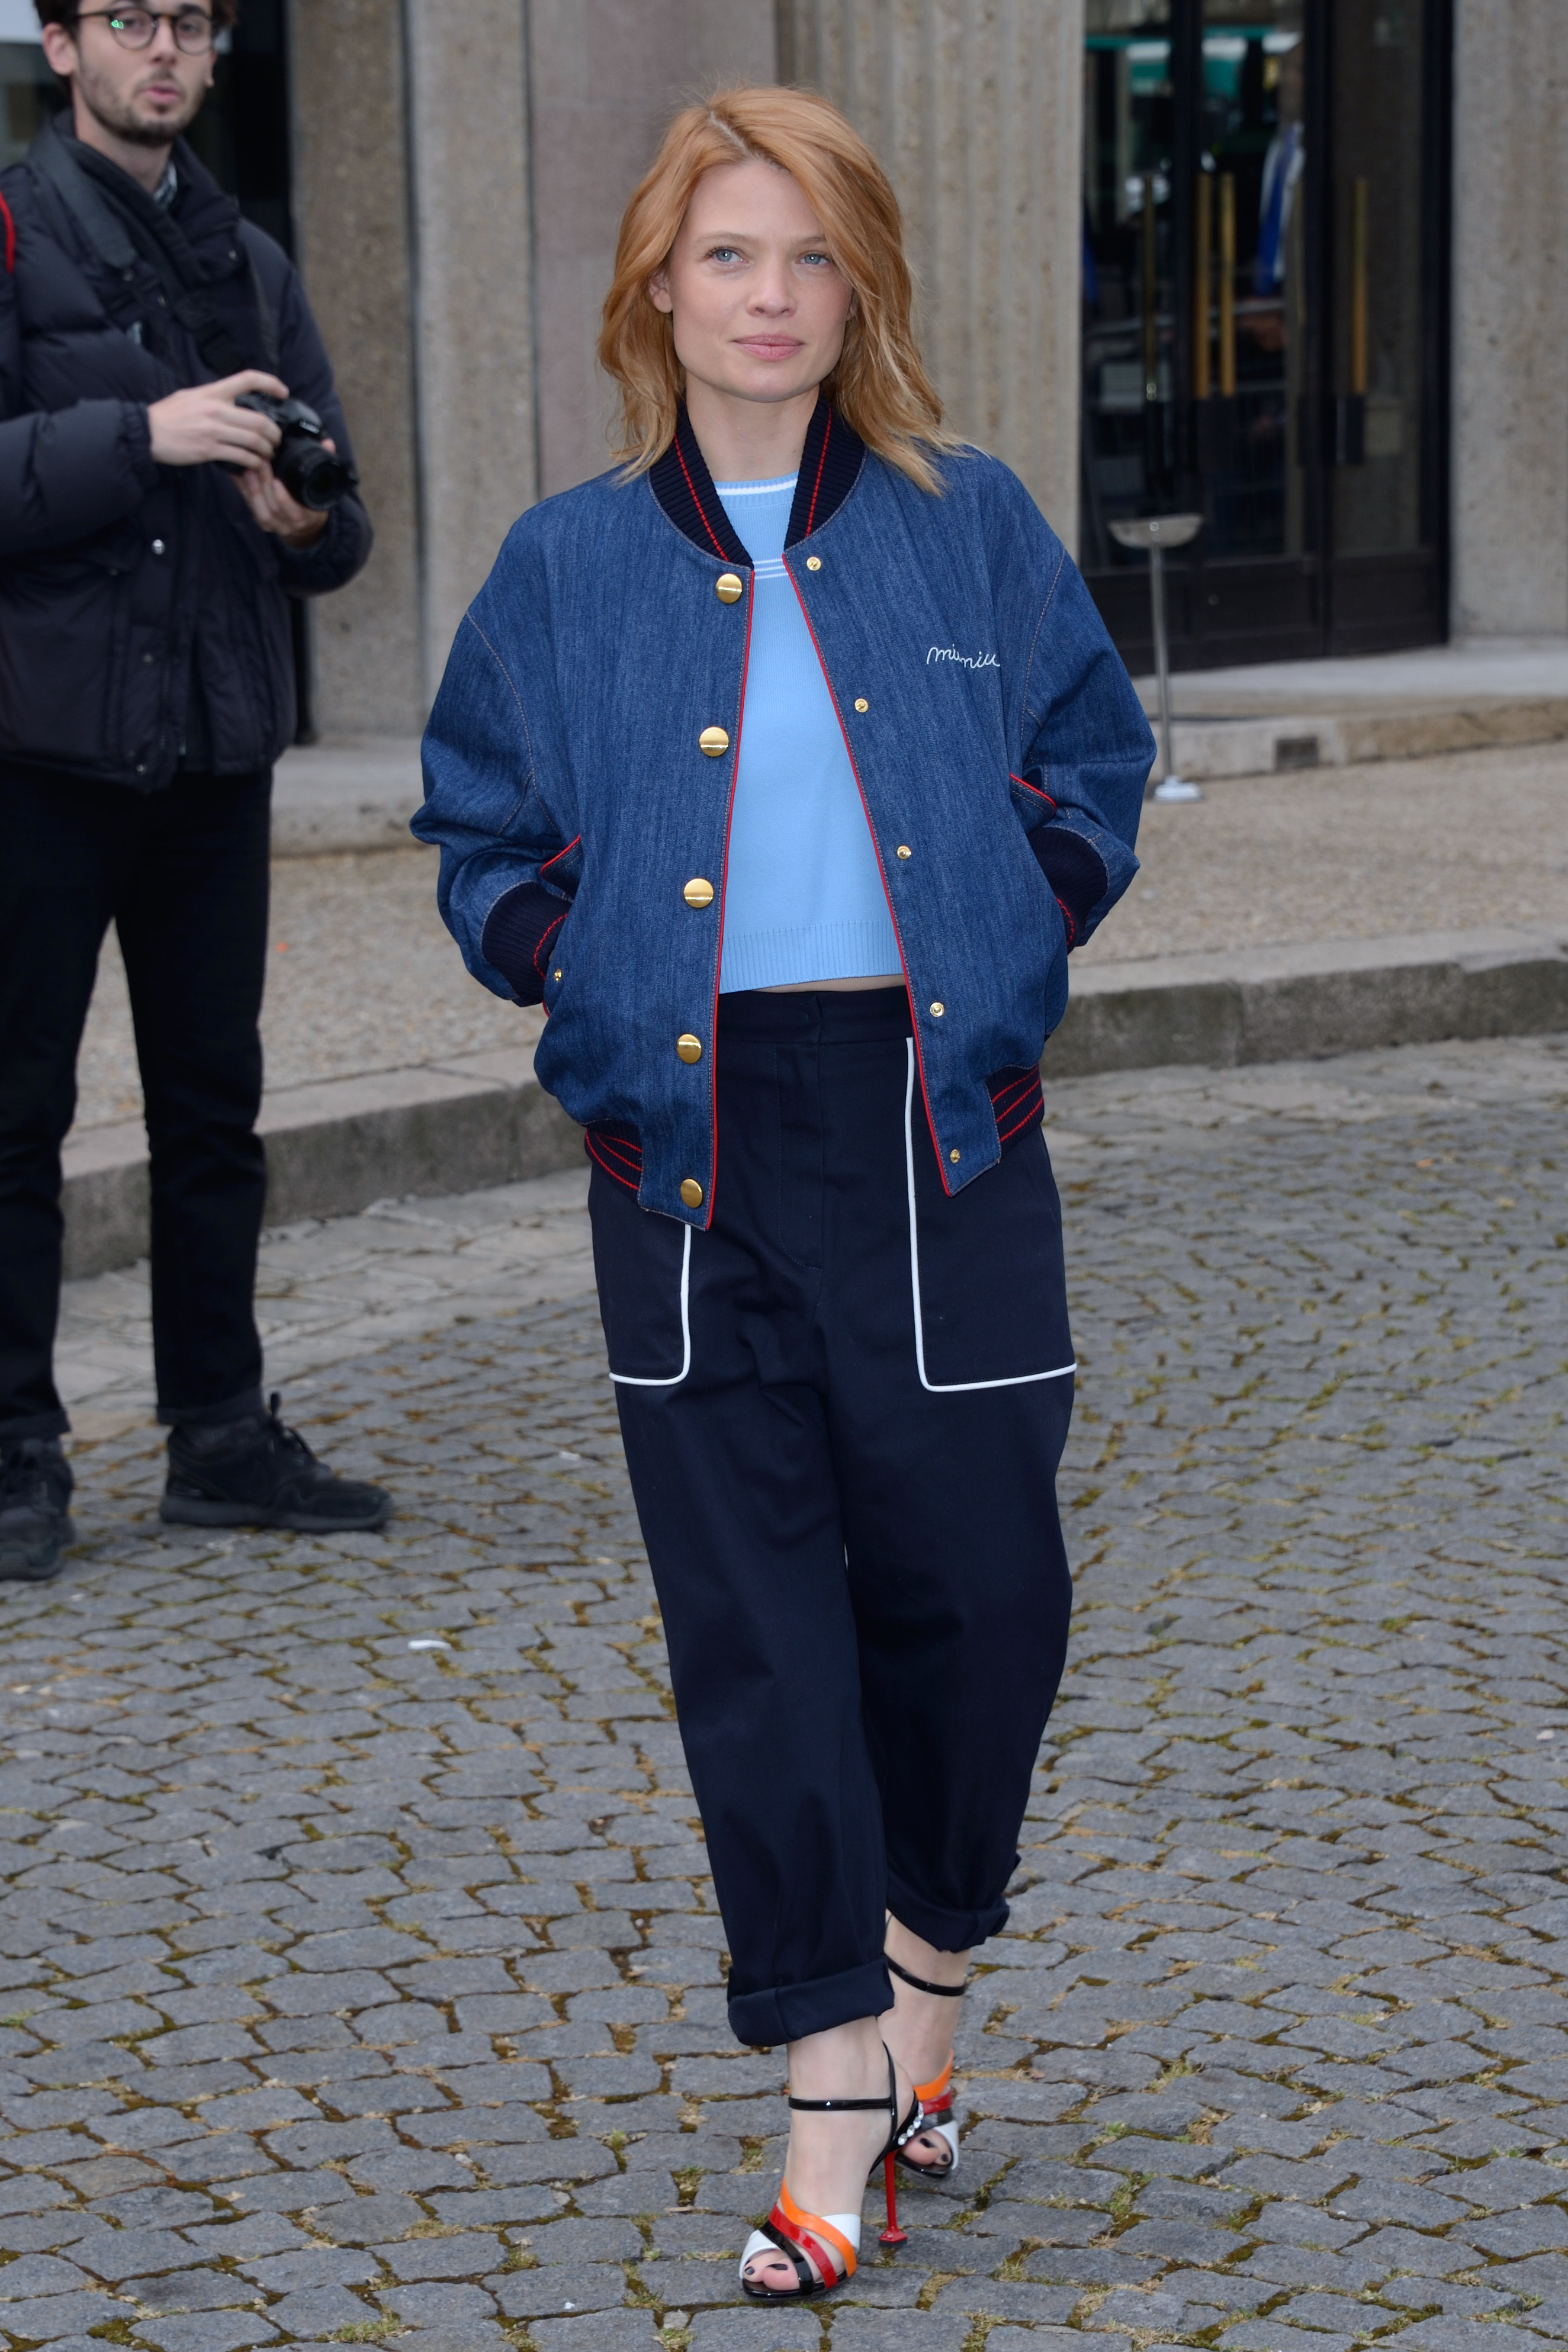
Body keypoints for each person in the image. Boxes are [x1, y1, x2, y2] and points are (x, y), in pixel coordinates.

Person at [416, 86, 1152, 2300]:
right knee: (758, 1631)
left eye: (812, 256)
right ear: (658, 284)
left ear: (862, 288)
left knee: (985, 1598)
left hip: (938, 1129)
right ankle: (835, 2086)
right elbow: (477, 823)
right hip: (686, 1149)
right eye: (729, 255)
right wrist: (583, 964)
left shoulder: (965, 519)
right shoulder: (564, 563)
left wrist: (1010, 928)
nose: (771, 296)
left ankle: (927, 1964)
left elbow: (1093, 760)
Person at [0, 0, 393, 1582]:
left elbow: (341, 522)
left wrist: (306, 520)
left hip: (216, 749)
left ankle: (221, 1437)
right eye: (129, 19)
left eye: (189, 21)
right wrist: (140, 435)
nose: (162, 49)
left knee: (214, 1116)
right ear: (62, 45)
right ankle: (15, 1456)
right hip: (38, 750)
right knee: (14, 1117)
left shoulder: (252, 260)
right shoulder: (12, 230)